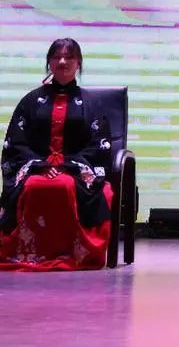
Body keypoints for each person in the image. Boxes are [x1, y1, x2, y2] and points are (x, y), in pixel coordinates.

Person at [1, 38, 113, 271]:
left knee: (64, 185)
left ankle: (72, 253)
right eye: (57, 57)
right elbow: (16, 142)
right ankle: (29, 252)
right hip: (37, 168)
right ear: (49, 62)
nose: (63, 62)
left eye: (69, 57)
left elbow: (99, 144)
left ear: (78, 63)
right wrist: (41, 165)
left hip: (77, 170)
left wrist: (67, 165)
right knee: (34, 186)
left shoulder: (92, 104)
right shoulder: (30, 101)